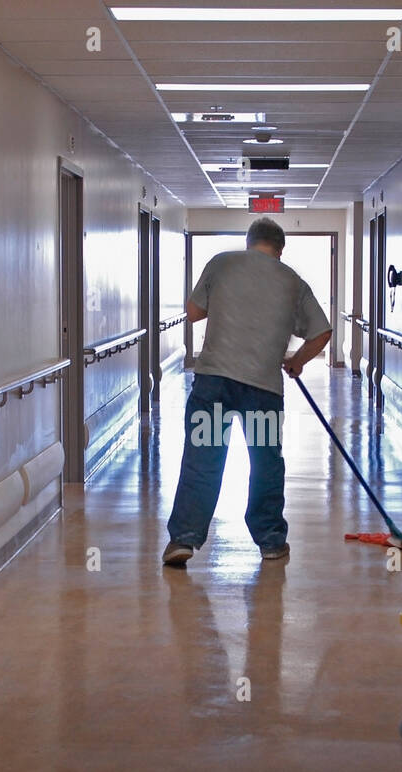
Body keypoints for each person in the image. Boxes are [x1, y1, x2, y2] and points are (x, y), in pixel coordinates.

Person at [163, 217, 332, 566]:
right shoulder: (293, 282)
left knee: (203, 459)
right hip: (263, 390)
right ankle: (270, 540)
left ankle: (184, 539)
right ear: (280, 251)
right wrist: (297, 361)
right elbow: (322, 332)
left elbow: (193, 313)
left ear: (248, 242)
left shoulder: (223, 262)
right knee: (265, 463)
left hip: (214, 384)